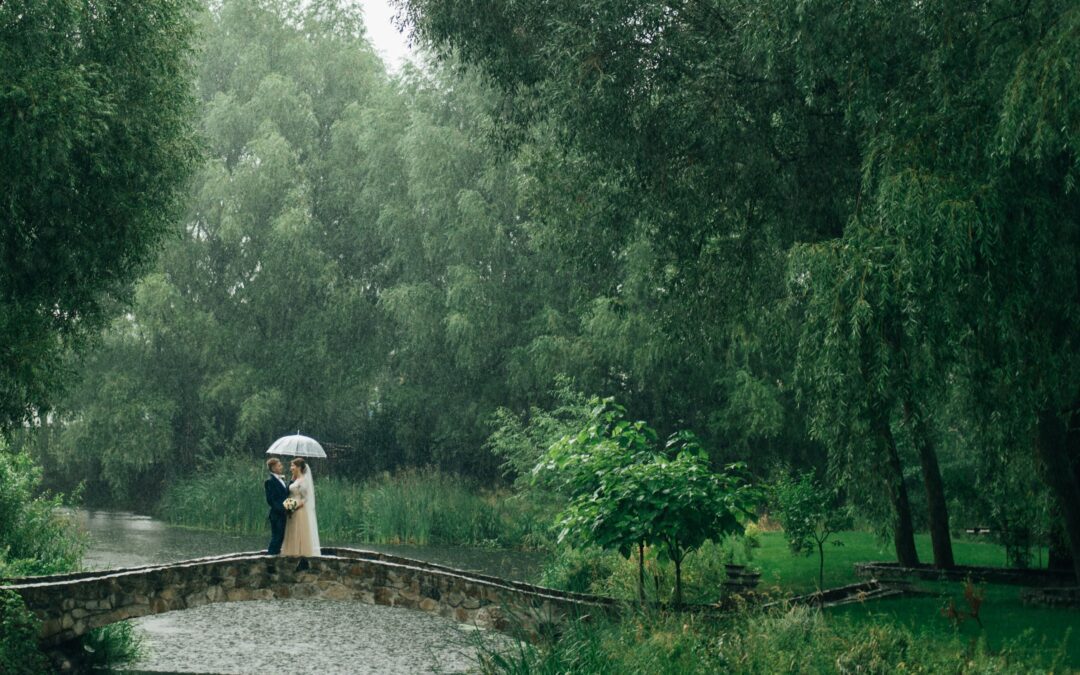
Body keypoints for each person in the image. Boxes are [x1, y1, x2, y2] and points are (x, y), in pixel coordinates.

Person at [281, 457, 321, 557]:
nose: (291, 468)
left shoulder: (304, 480)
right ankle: (291, 553)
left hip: (299, 510)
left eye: (293, 466)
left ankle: (299, 554)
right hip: (292, 509)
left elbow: (305, 498)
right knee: (291, 531)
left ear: (299, 467)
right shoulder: (295, 479)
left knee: (298, 531)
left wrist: (294, 505)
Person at [264, 457, 289, 555]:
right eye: (279, 465)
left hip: (283, 515)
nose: (281, 467)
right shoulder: (270, 481)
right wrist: (284, 509)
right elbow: (272, 501)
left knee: (281, 538)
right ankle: (270, 561)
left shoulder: (282, 480)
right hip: (277, 515)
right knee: (276, 538)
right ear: (273, 468)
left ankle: (275, 558)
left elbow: (284, 497)